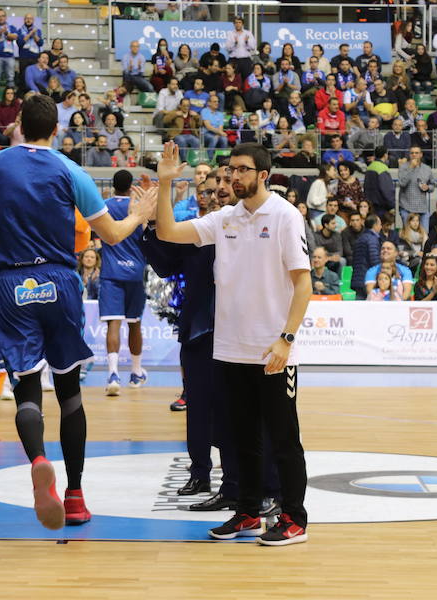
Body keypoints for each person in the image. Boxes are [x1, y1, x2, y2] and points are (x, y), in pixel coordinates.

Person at [0, 94, 158, 530]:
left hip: (10, 284)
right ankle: (75, 496)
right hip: (60, 281)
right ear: (56, 131)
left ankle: (38, 460)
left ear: (18, 126)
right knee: (69, 394)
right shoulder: (70, 169)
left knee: (27, 390)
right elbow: (111, 232)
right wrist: (139, 214)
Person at [153, 141, 311, 546]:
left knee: (283, 439)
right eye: (231, 170)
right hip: (229, 349)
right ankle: (247, 512)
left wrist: (285, 339)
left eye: (242, 170)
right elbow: (169, 232)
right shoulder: (225, 218)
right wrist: (166, 183)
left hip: (272, 350)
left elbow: (303, 283)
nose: (233, 177)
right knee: (240, 440)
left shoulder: (285, 216)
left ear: (262, 175)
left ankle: (294, 518)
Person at [97, 171, 148, 396]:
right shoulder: (138, 207)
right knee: (135, 324)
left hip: (111, 272)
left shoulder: (104, 206)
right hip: (135, 272)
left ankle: (113, 373)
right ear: (131, 187)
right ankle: (136, 373)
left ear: (113, 185)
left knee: (114, 325)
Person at [398, 146, 434, 231]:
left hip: (422, 208)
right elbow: (402, 183)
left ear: (421, 155)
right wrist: (411, 168)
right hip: (406, 207)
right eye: (412, 153)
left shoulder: (427, 168)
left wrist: (428, 187)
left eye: (416, 153)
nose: (414, 155)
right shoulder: (403, 167)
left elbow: (433, 185)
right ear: (409, 155)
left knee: (425, 236)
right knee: (409, 236)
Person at [351, 214, 383, 298]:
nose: (381, 227)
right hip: (368, 279)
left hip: (358, 278)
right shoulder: (372, 239)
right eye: (380, 224)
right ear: (375, 225)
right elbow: (374, 260)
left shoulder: (360, 238)